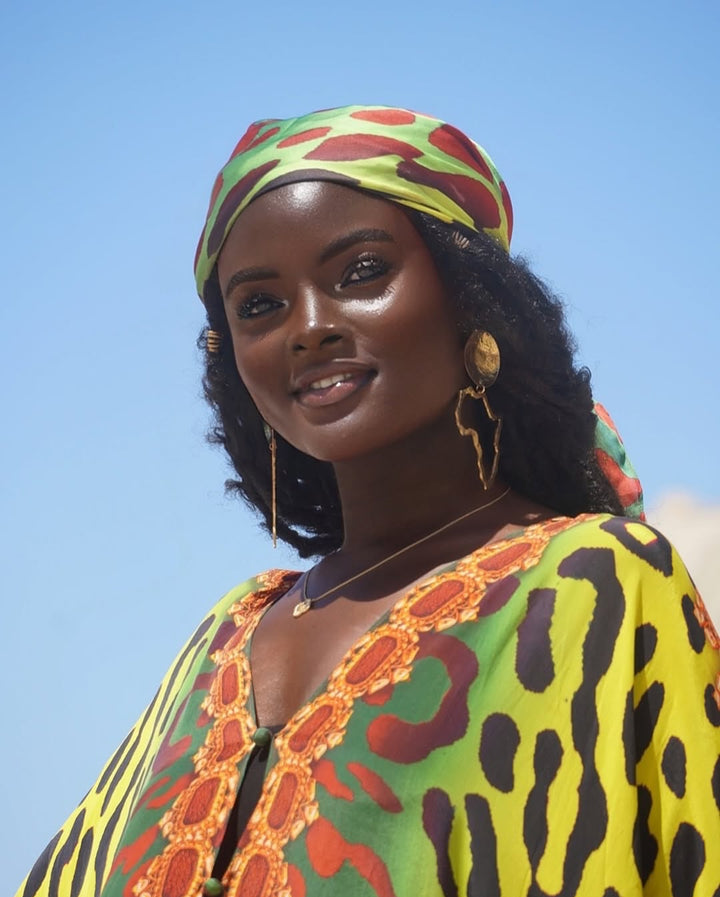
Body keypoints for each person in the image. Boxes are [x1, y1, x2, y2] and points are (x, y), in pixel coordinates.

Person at [16, 106, 720, 897]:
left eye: (360, 273)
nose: (308, 328)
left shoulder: (596, 581)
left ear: (469, 295)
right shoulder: (229, 632)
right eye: (260, 305)